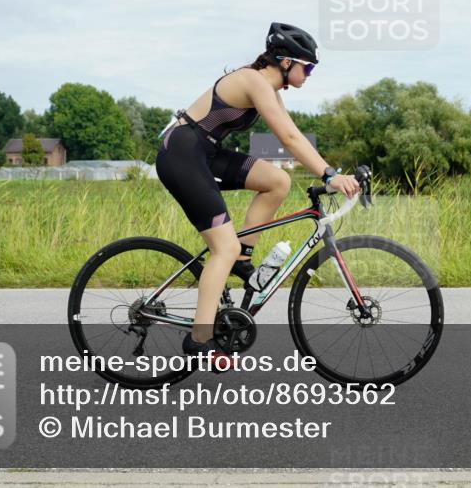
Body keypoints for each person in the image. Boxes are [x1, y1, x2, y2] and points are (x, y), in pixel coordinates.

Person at [155, 22, 361, 369]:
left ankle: (242, 259)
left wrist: (330, 172)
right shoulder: (254, 81)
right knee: (224, 246)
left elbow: (293, 132)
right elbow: (291, 140)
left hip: (204, 151)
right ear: (285, 62)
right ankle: (200, 340)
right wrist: (330, 175)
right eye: (306, 67)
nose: (308, 74)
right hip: (182, 154)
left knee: (276, 181)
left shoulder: (269, 88)